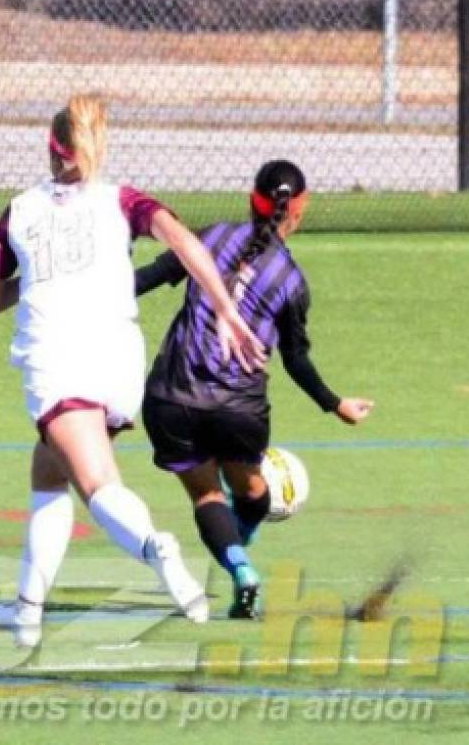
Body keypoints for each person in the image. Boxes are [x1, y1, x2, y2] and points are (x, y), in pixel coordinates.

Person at [0, 93, 267, 646]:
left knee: (96, 482)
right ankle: (27, 608)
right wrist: (226, 310)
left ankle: (159, 551)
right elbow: (182, 241)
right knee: (49, 471)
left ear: (51, 147)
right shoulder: (122, 201)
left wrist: (35, 277)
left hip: (57, 360)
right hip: (117, 360)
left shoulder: (19, 210)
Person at [133, 159, 374, 618]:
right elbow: (295, 360)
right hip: (238, 411)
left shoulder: (210, 236)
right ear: (299, 209)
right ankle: (237, 548)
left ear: (252, 199)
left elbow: (143, 279)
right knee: (252, 491)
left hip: (173, 398)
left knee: (206, 494)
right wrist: (335, 404)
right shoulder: (292, 282)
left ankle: (240, 566)